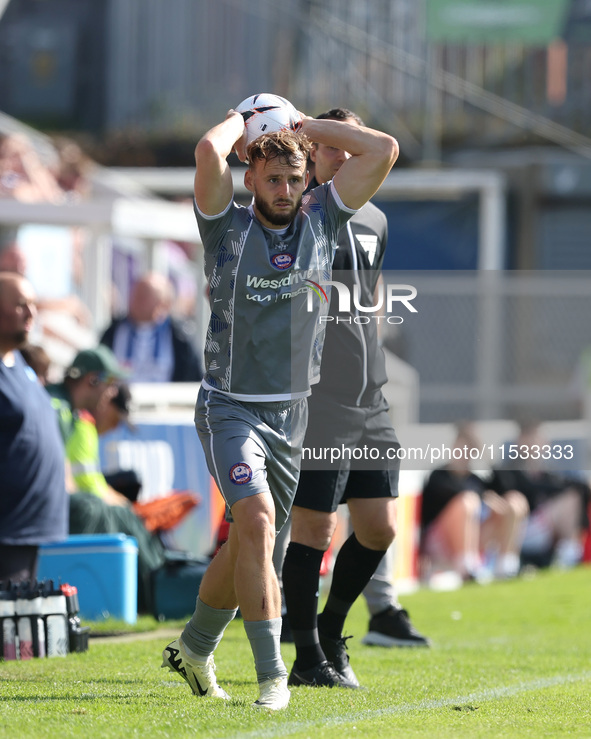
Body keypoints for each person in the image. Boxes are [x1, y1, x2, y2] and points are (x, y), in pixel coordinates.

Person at [160, 103, 398, 710]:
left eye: (295, 179)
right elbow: (207, 154)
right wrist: (245, 120)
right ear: (251, 179)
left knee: (249, 542)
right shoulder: (225, 226)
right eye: (273, 179)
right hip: (230, 407)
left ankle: (192, 647)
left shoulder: (322, 219)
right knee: (259, 523)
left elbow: (384, 149)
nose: (286, 190)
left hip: (292, 416)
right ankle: (273, 678)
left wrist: (300, 128)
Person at [279, 107, 424, 692]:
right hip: (322, 399)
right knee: (313, 530)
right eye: (333, 146)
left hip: (372, 399)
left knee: (380, 528)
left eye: (350, 144)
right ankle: (308, 655)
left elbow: (374, 296)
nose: (345, 155)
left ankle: (331, 628)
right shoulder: (303, 214)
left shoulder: (377, 220)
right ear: (312, 151)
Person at [46, 349, 167, 612]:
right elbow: (56, 480)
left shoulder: (67, 410)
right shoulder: (56, 407)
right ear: (92, 380)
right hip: (35, 510)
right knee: (96, 508)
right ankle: (154, 594)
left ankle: (158, 588)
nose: (113, 393)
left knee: (117, 511)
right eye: (110, 384)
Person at [0, 273, 68, 585]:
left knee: (19, 626)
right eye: (20, 305)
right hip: (7, 528)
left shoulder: (20, 365)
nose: (32, 313)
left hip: (28, 526)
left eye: (33, 304)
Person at [421, 422, 529, 582]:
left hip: (475, 535)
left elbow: (506, 486)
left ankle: (506, 565)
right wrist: (484, 498)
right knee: (468, 502)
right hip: (439, 540)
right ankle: (466, 567)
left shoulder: (475, 480)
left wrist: (486, 458)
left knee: (515, 501)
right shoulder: (439, 475)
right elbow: (452, 495)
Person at [488, 420, 589, 569]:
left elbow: (574, 487)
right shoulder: (508, 471)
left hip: (542, 530)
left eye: (538, 438)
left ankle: (568, 556)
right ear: (520, 441)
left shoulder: (547, 474)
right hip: (517, 529)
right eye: (530, 438)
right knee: (515, 501)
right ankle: (506, 564)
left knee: (572, 498)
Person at [99, 271, 203, 383]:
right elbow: (100, 371)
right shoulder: (113, 332)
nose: (135, 300)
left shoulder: (180, 338)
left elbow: (191, 378)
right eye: (134, 293)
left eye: (144, 296)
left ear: (164, 304)